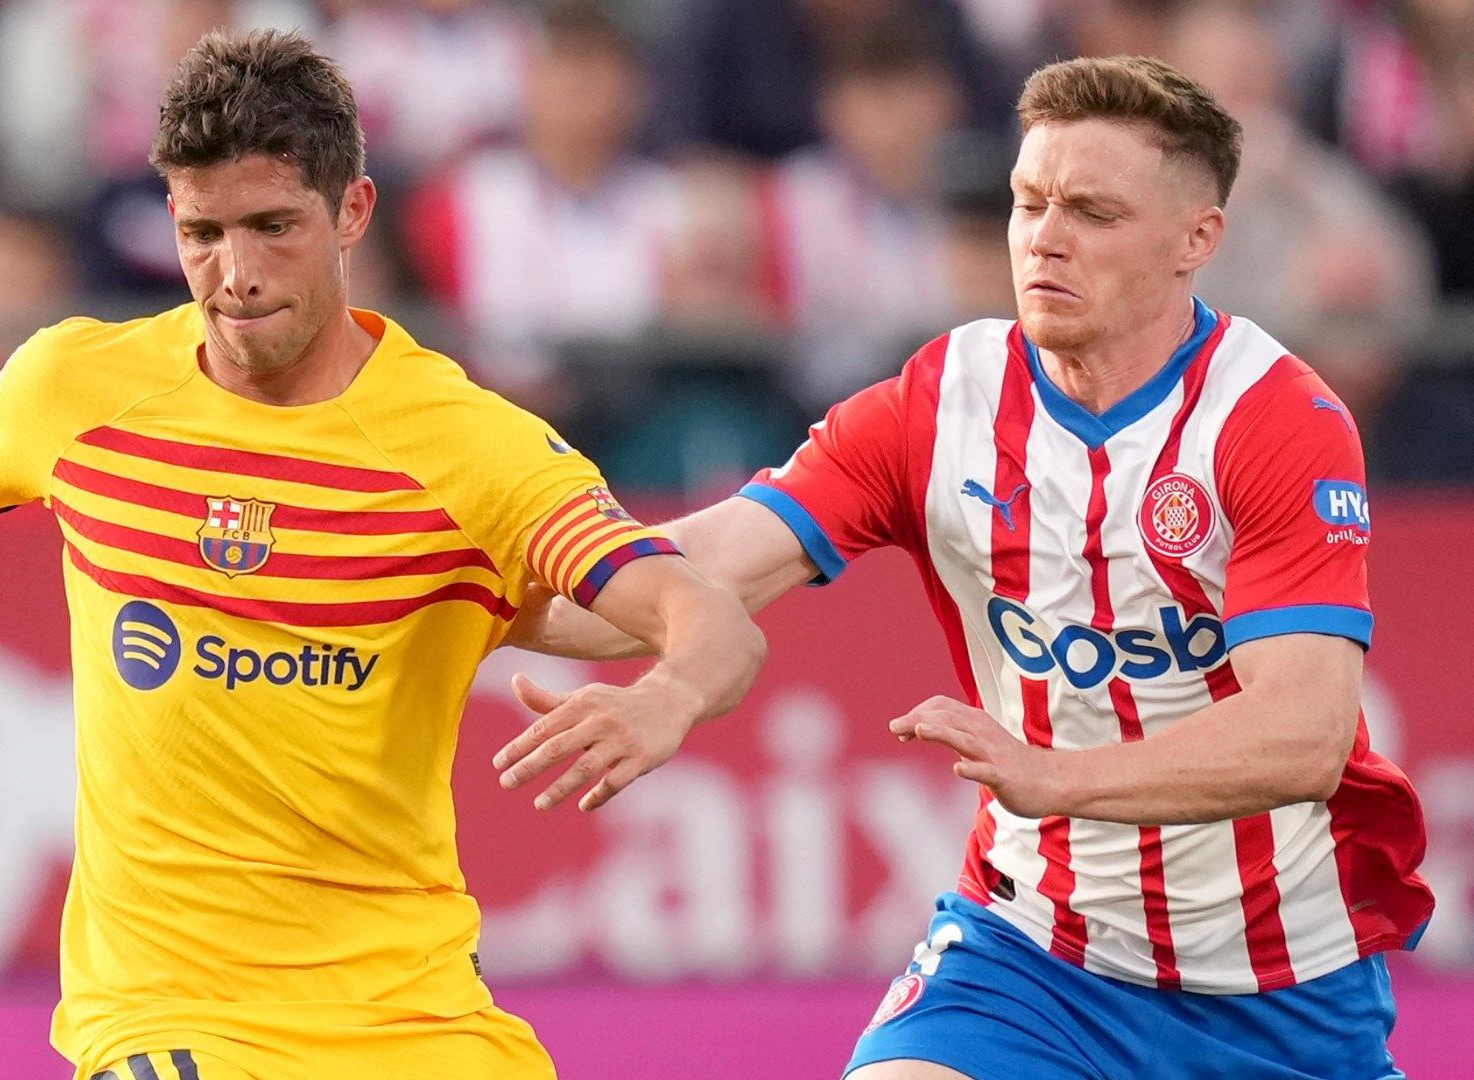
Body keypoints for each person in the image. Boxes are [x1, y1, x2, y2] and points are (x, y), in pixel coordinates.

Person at [0, 30, 766, 1080]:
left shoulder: (472, 451)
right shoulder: (79, 385)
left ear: (351, 213)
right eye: (200, 233)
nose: (234, 277)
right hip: (164, 1015)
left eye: (271, 228)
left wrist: (666, 699)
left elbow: (704, 613)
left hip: (414, 1025)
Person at [501, 55, 1431, 1079]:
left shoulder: (1273, 418)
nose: (1045, 237)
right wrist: (472, 587)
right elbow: (696, 567)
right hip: (1034, 955)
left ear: (1196, 240)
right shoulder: (941, 401)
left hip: (1280, 991)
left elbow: (1301, 735)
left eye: (1092, 210)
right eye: (1028, 201)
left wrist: (1056, 778)